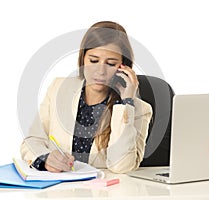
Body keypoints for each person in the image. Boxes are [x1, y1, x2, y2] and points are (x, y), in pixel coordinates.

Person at [20, 21, 152, 173]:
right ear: (83, 58)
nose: (100, 71)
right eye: (93, 60)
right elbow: (31, 141)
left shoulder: (139, 109)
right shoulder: (58, 88)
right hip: (59, 191)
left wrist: (126, 103)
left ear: (123, 67)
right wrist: (45, 159)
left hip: (104, 193)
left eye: (110, 63)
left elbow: (121, 166)